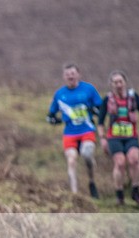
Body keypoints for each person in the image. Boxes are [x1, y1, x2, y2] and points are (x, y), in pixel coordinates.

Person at [47, 63, 103, 198]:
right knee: (71, 160)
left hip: (87, 130)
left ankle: (91, 182)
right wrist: (54, 120)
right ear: (64, 77)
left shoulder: (88, 89)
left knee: (87, 155)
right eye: (67, 74)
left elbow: (101, 107)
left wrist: (94, 111)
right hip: (70, 133)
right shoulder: (60, 94)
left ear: (78, 74)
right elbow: (51, 114)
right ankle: (75, 194)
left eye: (72, 73)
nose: (70, 76)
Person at [97, 70, 139, 206]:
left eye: (120, 82)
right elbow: (100, 122)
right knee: (120, 163)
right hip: (114, 137)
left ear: (125, 83)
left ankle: (135, 191)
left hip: (131, 136)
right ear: (111, 84)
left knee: (134, 160)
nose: (118, 85)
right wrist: (102, 139)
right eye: (115, 82)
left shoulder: (133, 97)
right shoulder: (107, 100)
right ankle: (119, 194)